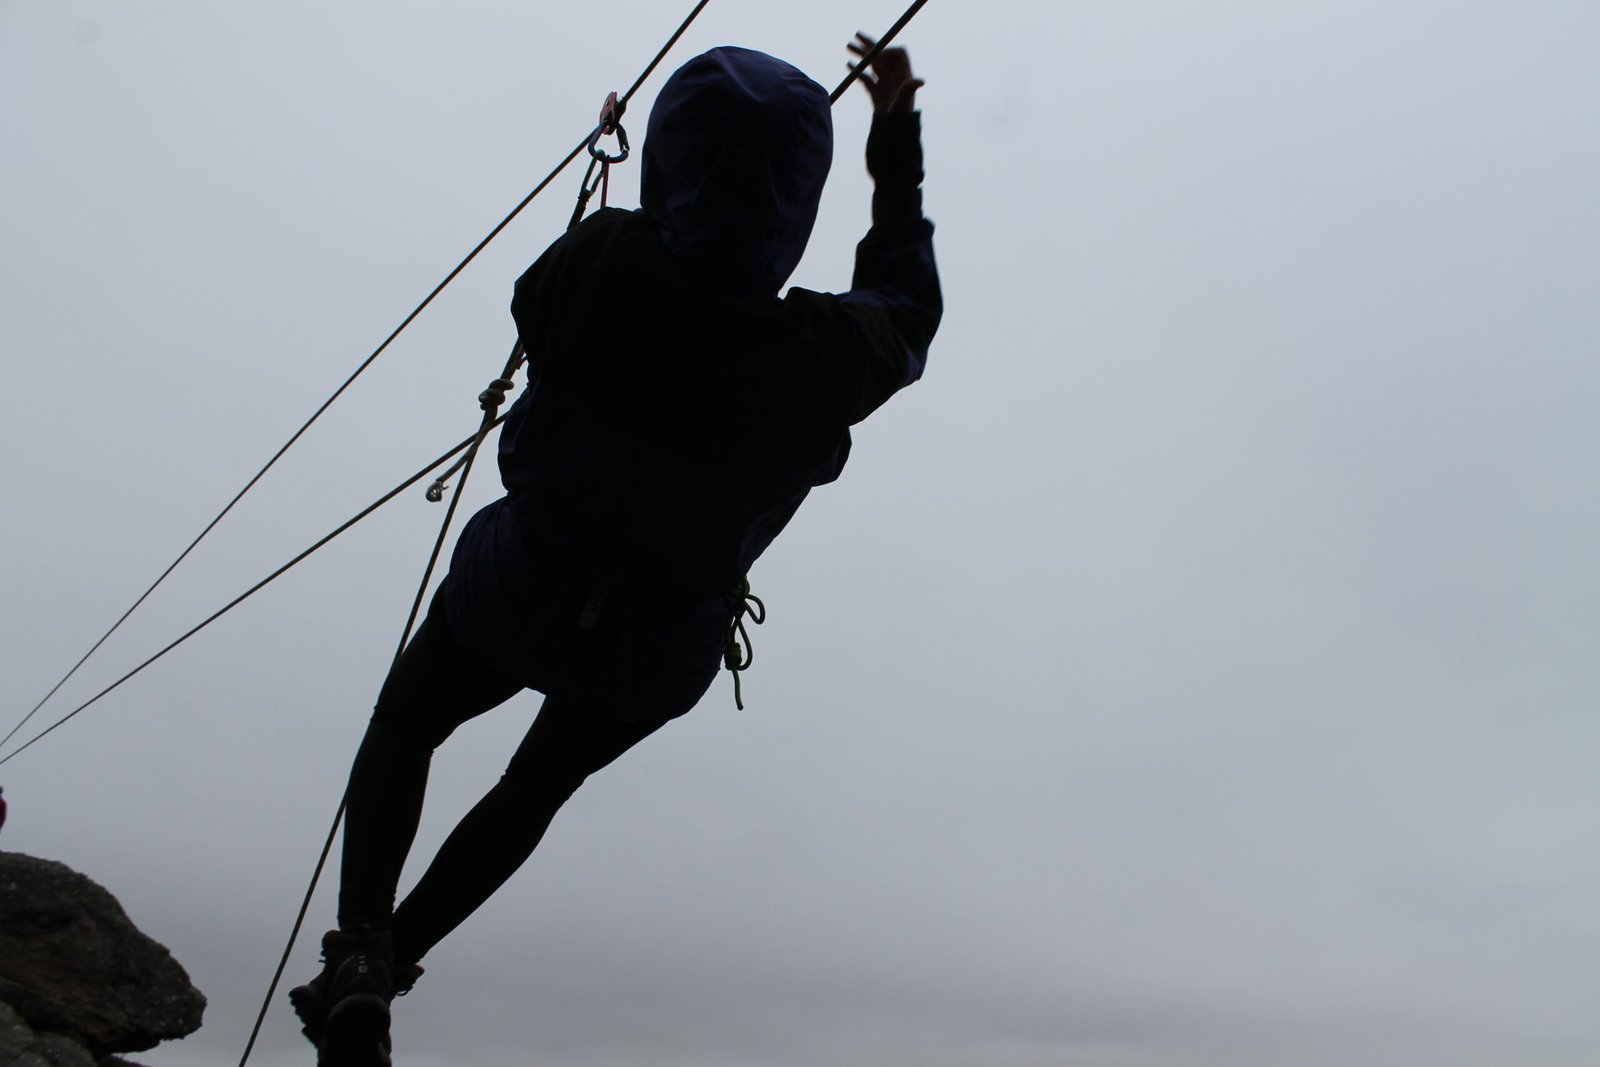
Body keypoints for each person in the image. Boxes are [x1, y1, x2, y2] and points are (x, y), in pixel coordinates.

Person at [290, 36, 939, 1067]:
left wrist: (642, 171)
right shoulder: (822, 358)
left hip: (524, 583)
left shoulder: (601, 269)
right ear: (801, 197)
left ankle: (363, 945)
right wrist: (890, 135)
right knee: (533, 787)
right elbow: (910, 305)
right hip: (658, 644)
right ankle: (389, 963)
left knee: (410, 720)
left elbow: (569, 275)